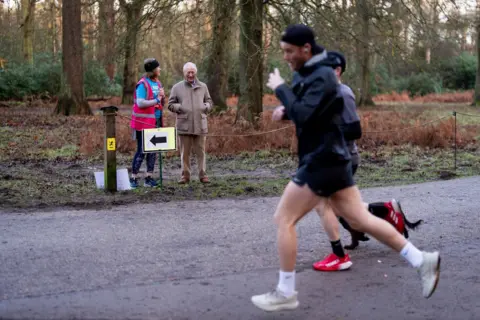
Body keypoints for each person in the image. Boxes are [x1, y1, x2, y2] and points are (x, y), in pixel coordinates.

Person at [251, 24, 440, 312]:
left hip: (322, 160)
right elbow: (314, 112)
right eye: (284, 52)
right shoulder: (314, 72)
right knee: (361, 219)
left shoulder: (324, 73)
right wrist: (287, 110)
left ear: (306, 49)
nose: (286, 57)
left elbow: (308, 113)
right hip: (333, 158)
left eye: (290, 52)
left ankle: (285, 291)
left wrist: (280, 90)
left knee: (284, 219)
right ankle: (421, 260)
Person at [312, 51, 420, 272]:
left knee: (325, 205)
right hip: (330, 159)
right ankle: (387, 211)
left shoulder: (344, 93)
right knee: (342, 209)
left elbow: (355, 130)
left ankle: (339, 254)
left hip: (343, 159)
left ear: (336, 71)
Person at [168, 62, 213, 184]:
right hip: (184, 125)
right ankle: (185, 176)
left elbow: (209, 101)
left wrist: (206, 107)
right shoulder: (177, 88)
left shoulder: (203, 86)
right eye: (188, 72)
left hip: (200, 124)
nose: (191, 74)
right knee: (185, 153)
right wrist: (180, 107)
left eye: (193, 72)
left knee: (201, 152)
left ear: (196, 73)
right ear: (184, 73)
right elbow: (170, 104)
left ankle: (203, 175)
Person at [129, 58, 165, 188]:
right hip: (142, 123)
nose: (160, 69)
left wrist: (162, 97)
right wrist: (156, 100)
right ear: (153, 70)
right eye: (158, 67)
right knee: (141, 150)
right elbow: (140, 102)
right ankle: (133, 178)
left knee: (153, 151)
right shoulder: (142, 84)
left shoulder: (158, 83)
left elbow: (160, 102)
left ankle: (148, 178)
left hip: (155, 122)